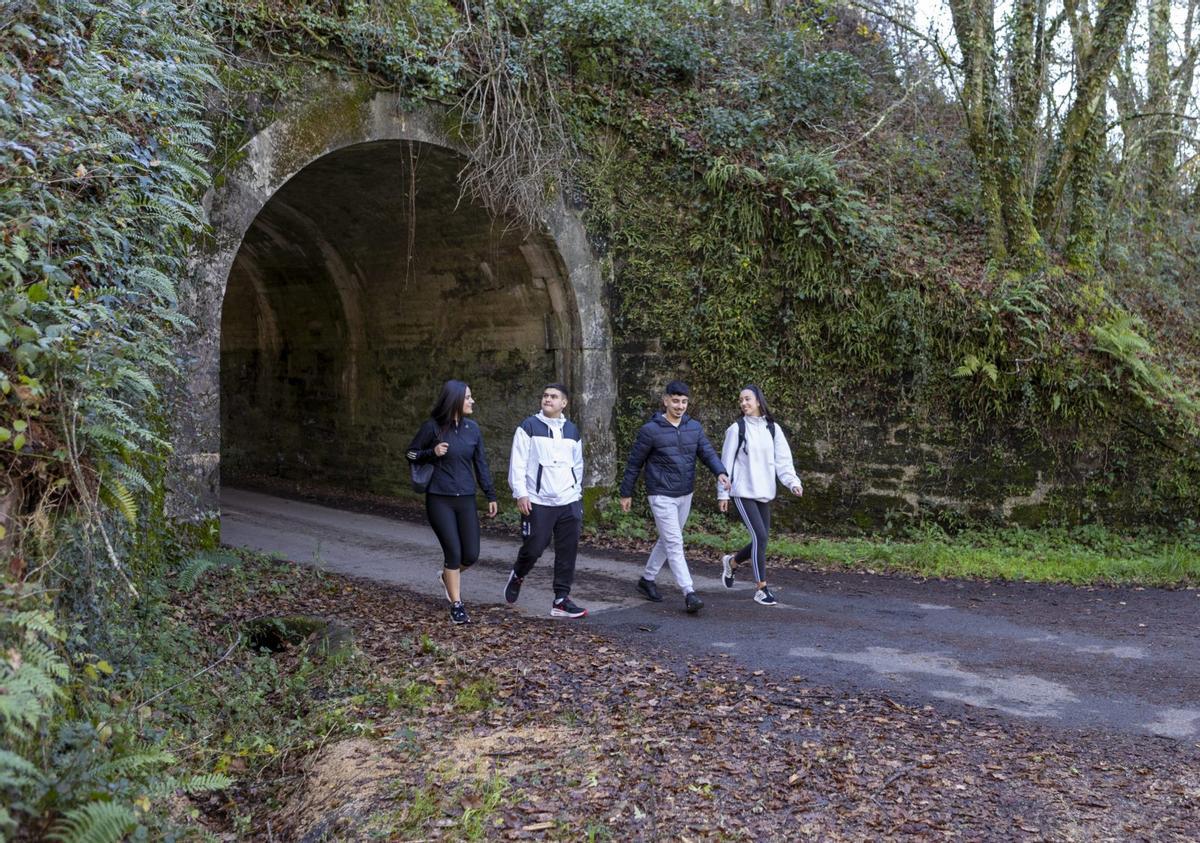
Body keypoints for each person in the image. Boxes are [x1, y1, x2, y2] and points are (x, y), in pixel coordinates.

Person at [619, 380, 730, 614]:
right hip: (660, 494)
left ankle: (647, 579)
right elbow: (634, 463)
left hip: (685, 493)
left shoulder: (694, 428)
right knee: (674, 542)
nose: (680, 406)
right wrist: (626, 492)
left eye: (684, 402)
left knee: (669, 538)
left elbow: (707, 452)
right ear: (666, 400)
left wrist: (720, 471)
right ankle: (689, 592)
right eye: (676, 401)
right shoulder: (650, 430)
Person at [406, 380, 498, 625]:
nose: (472, 401)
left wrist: (490, 495)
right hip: (439, 499)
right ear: (455, 400)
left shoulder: (473, 429)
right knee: (453, 553)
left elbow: (481, 464)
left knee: (471, 554)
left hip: (466, 498)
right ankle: (457, 605)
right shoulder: (432, 428)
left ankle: (447, 576)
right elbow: (410, 453)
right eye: (468, 397)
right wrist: (431, 453)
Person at [503, 383, 587, 618]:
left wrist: (576, 493)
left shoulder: (572, 430)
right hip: (538, 500)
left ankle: (561, 599)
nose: (548, 399)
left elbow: (577, 464)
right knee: (534, 547)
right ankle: (519, 573)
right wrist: (521, 493)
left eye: (553, 396)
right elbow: (517, 462)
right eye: (545, 395)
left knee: (567, 550)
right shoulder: (528, 426)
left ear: (564, 403)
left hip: (568, 500)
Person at [716, 385, 803, 606]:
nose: (744, 403)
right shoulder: (736, 429)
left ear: (758, 401)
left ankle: (732, 563)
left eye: (748, 399)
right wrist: (723, 495)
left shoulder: (773, 429)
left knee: (761, 540)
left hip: (764, 492)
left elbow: (783, 461)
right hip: (742, 492)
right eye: (741, 400)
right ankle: (761, 589)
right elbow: (725, 465)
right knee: (761, 538)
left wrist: (793, 482)